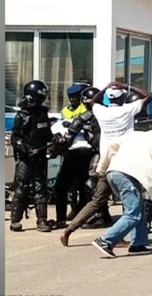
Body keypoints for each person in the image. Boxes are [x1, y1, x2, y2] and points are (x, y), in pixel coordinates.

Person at [60, 82, 150, 244]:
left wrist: (108, 86)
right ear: (123, 97)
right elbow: (148, 96)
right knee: (131, 203)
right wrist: (125, 85)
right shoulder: (127, 110)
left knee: (97, 201)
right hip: (126, 164)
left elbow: (94, 100)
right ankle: (119, 239)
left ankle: (69, 230)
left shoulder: (101, 112)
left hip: (106, 163)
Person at [91, 116, 152, 258]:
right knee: (133, 213)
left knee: (139, 208)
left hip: (114, 172)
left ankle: (138, 244)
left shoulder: (132, 136)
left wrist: (100, 169)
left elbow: (111, 146)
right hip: (129, 176)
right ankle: (105, 241)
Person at [52, 86, 100, 229]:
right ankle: (82, 215)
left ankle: (70, 218)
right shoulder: (106, 114)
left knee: (67, 186)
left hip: (80, 152)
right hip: (94, 153)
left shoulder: (87, 115)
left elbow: (70, 133)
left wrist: (62, 138)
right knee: (87, 186)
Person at [9, 80, 54, 232]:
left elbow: (48, 134)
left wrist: (56, 140)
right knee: (21, 187)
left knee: (41, 188)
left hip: (40, 156)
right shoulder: (22, 115)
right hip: (25, 158)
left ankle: (42, 220)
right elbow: (15, 137)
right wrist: (25, 148)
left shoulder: (43, 113)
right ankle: (15, 220)